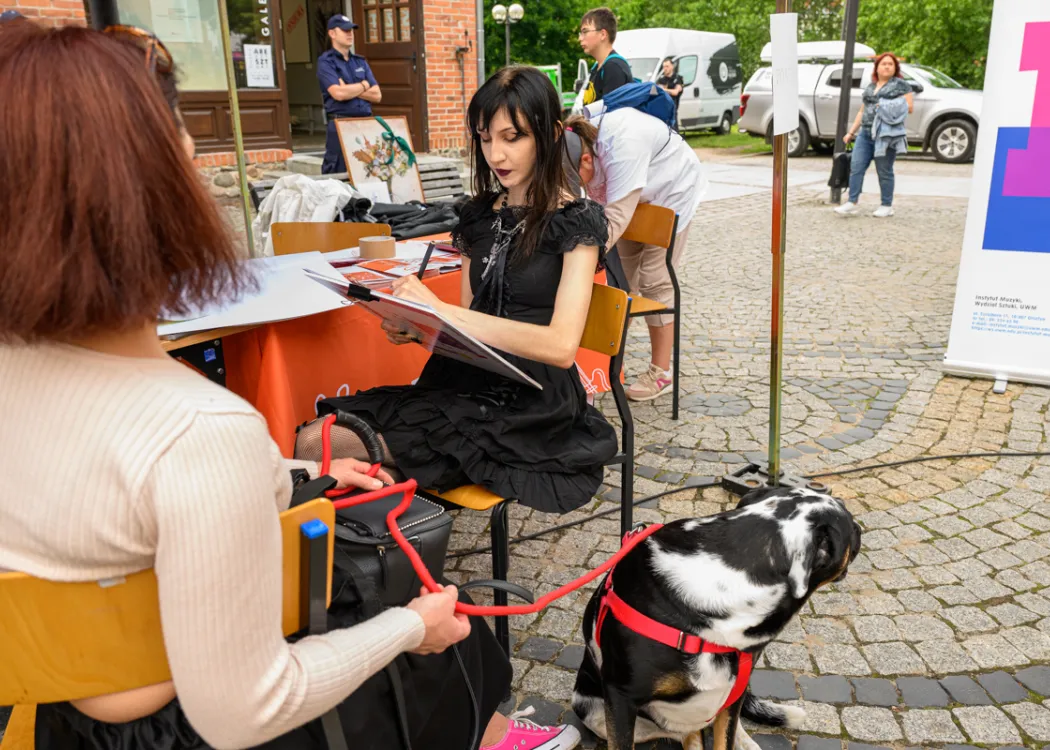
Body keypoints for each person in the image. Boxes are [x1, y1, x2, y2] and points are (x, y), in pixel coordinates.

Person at [0, 22, 578, 750]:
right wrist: (409, 629)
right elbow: (244, 707)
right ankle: (491, 734)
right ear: (157, 198)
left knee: (346, 483)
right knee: (424, 604)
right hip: (186, 725)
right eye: (190, 159)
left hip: (49, 718)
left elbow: (115, 499)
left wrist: (291, 471)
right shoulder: (199, 431)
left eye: (512, 137)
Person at [318, 66, 618, 517]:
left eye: (512, 137)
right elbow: (465, 325)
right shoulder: (476, 216)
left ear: (551, 134)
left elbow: (559, 347)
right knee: (316, 438)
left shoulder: (577, 221)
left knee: (340, 453)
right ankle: (388, 546)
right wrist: (418, 327)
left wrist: (443, 312)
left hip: (531, 404)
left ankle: (390, 546)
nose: (496, 153)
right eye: (484, 137)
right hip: (463, 385)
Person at [563, 108, 706, 402]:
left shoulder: (622, 145)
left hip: (672, 189)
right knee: (622, 281)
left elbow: (614, 219)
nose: (579, 187)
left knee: (655, 279)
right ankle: (611, 362)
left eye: (578, 178)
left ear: (587, 159)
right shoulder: (579, 143)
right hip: (637, 193)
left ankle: (661, 372)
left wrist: (580, 260)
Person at [835, 51, 914, 218]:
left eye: (890, 64)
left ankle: (886, 205)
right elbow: (862, 111)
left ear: (895, 68)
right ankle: (851, 201)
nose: (887, 66)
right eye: (883, 63)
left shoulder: (901, 85)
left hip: (886, 134)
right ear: (877, 67)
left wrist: (885, 105)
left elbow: (909, 107)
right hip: (865, 133)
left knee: (884, 170)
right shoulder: (871, 86)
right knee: (856, 167)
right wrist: (851, 132)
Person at [317, 14, 381, 174]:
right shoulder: (326, 62)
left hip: (365, 125)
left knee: (368, 172)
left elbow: (377, 95)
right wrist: (364, 85)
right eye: (345, 30)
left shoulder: (360, 61)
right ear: (332, 33)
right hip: (341, 125)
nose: (350, 34)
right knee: (338, 175)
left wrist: (353, 89)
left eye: (351, 30)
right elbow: (338, 93)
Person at [578, 7, 633, 107]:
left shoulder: (614, 67)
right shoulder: (597, 66)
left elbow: (611, 116)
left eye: (585, 32)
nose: (580, 38)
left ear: (603, 34)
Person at [656, 57, 684, 131]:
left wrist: (664, 89)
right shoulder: (661, 79)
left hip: (673, 108)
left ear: (672, 66)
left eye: (667, 66)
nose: (665, 69)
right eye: (664, 67)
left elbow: (675, 92)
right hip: (663, 108)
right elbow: (656, 91)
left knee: (674, 129)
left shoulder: (678, 78)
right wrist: (666, 90)